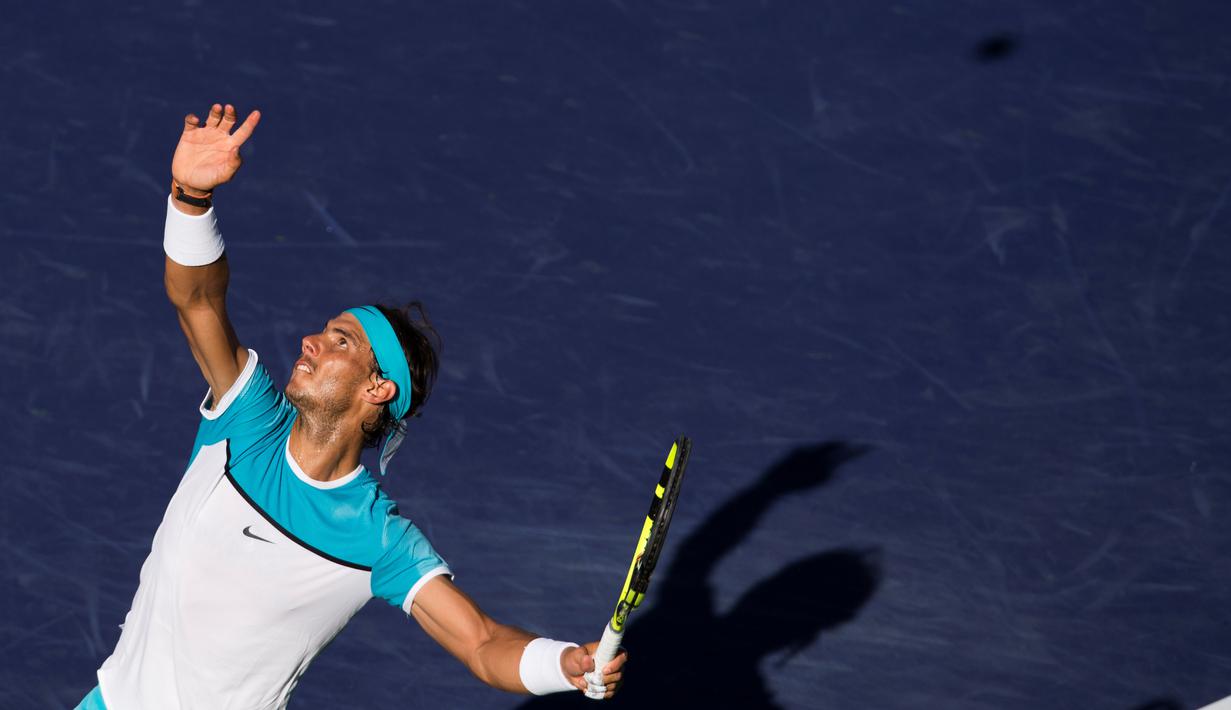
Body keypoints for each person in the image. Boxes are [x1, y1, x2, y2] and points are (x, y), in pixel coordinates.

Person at [75, 103, 626, 710]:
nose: (310, 341)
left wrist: (563, 664)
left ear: (377, 389)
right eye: (323, 331)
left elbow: (482, 642)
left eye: (342, 342)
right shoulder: (247, 421)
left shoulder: (378, 540)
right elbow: (197, 299)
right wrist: (189, 198)